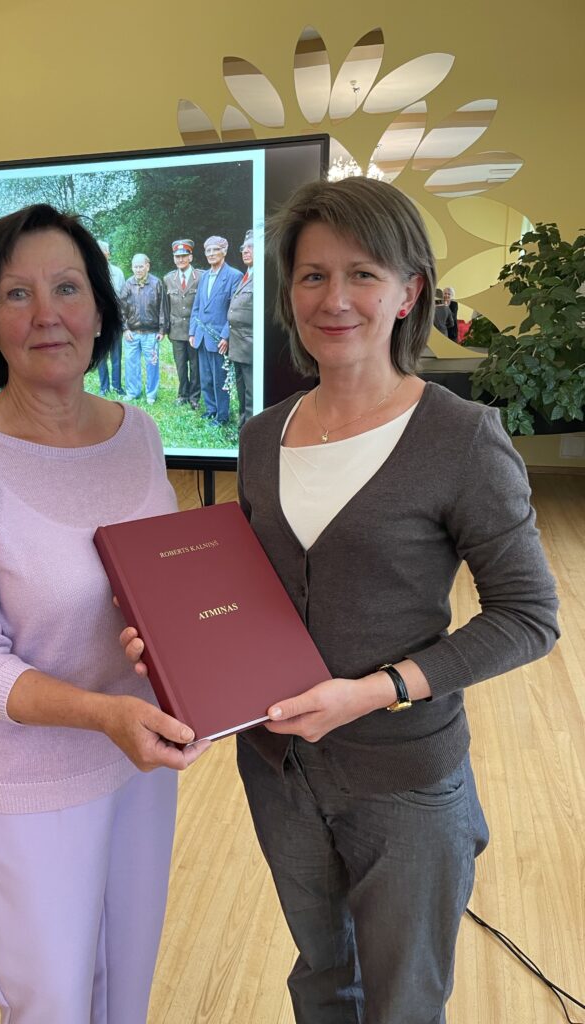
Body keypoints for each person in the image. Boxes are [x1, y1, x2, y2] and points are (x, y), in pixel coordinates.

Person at [122, 177, 560, 1024]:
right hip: (279, 767)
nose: (335, 298)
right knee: (322, 975)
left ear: (409, 292)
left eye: (363, 274)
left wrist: (376, 690)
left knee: (404, 1000)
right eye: (313, 275)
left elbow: (528, 616)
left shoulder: (461, 438)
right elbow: (245, 590)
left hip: (404, 778)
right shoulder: (262, 435)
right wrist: (171, 642)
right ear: (288, 292)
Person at [0, 204, 208, 1024]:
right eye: (17, 294)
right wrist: (102, 714)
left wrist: (199, 666)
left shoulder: (139, 433)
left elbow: (163, 583)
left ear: (100, 310)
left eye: (67, 288)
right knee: (52, 1002)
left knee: (128, 981)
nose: (47, 314)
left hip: (141, 759)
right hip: (29, 780)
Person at [189, 235, 242, 426]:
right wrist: (192, 332)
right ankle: (211, 409)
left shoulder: (234, 276)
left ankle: (222, 415)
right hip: (202, 336)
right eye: (208, 250)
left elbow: (234, 310)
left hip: (219, 337)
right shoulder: (204, 276)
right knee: (206, 376)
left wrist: (226, 336)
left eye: (215, 250)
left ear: (224, 252)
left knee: (220, 378)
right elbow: (197, 306)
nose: (211, 254)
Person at [122, 253, 167, 404]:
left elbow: (162, 308)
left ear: (147, 266)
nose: (138, 270)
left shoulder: (156, 283)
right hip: (132, 333)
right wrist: (125, 329)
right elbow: (121, 308)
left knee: (152, 364)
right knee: (131, 364)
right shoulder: (128, 284)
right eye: (135, 267)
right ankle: (133, 392)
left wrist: (162, 330)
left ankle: (151, 394)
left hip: (151, 333)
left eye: (141, 266)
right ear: (132, 267)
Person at [163, 239, 202, 408]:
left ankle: (194, 397)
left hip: (195, 330)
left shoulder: (201, 276)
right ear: (174, 259)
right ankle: (182, 394)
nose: (181, 259)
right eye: (177, 257)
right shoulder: (168, 279)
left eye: (184, 256)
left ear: (190, 257)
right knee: (180, 365)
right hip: (176, 330)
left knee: (195, 365)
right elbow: (165, 307)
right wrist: (165, 328)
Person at [227, 229, 255, 428]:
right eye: (244, 248)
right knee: (241, 389)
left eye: (251, 247)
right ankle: (242, 425)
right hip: (237, 345)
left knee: (252, 391)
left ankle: (251, 428)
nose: (246, 251)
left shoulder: (262, 278)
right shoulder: (247, 275)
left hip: (250, 345)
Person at [96, 240, 127, 397]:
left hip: (115, 321)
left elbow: (123, 299)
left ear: (108, 254)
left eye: (103, 253)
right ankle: (104, 387)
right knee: (101, 356)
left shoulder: (118, 273)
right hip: (98, 322)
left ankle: (117, 386)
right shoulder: (90, 273)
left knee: (116, 356)